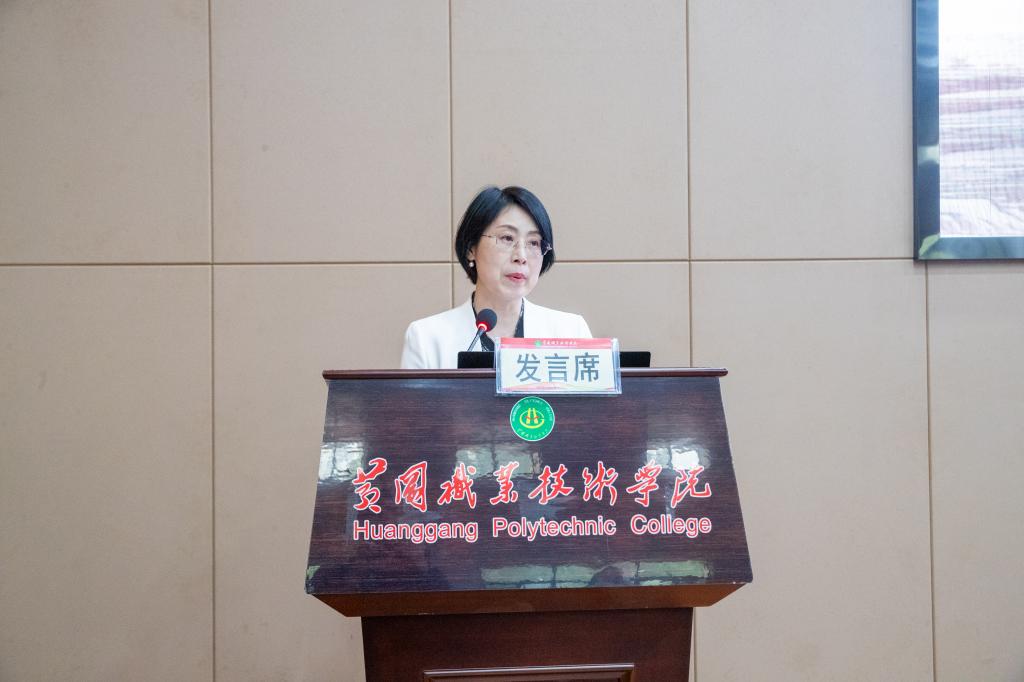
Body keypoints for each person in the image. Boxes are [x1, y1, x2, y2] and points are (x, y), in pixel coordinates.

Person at [401, 186, 591, 369]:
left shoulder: (572, 333)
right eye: (507, 238)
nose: (521, 256)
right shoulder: (426, 339)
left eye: (534, 242)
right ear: (471, 249)